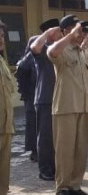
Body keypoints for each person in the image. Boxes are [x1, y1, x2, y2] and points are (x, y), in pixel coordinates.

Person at [47, 15, 88, 195]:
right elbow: (51, 51)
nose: (81, 33)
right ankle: (62, 188)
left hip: (82, 107)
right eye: (78, 29)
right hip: (65, 107)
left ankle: (75, 186)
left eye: (82, 30)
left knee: (80, 150)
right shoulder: (62, 48)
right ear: (66, 30)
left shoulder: (81, 52)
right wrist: (68, 36)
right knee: (65, 150)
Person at [30, 19, 61, 181]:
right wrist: (47, 34)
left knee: (57, 137)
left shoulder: (58, 48)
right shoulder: (40, 45)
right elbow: (34, 47)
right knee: (46, 137)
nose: (59, 33)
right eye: (57, 31)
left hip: (59, 98)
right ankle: (45, 170)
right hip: (45, 98)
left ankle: (56, 167)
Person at [0, 20, 22, 195]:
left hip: (5, 126)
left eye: (2, 36)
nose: (1, 40)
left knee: (3, 173)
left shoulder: (1, 62)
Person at [15, 37, 37, 162]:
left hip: (37, 95)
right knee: (32, 125)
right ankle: (34, 151)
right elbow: (21, 76)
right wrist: (25, 92)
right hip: (30, 96)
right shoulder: (27, 60)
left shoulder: (37, 59)